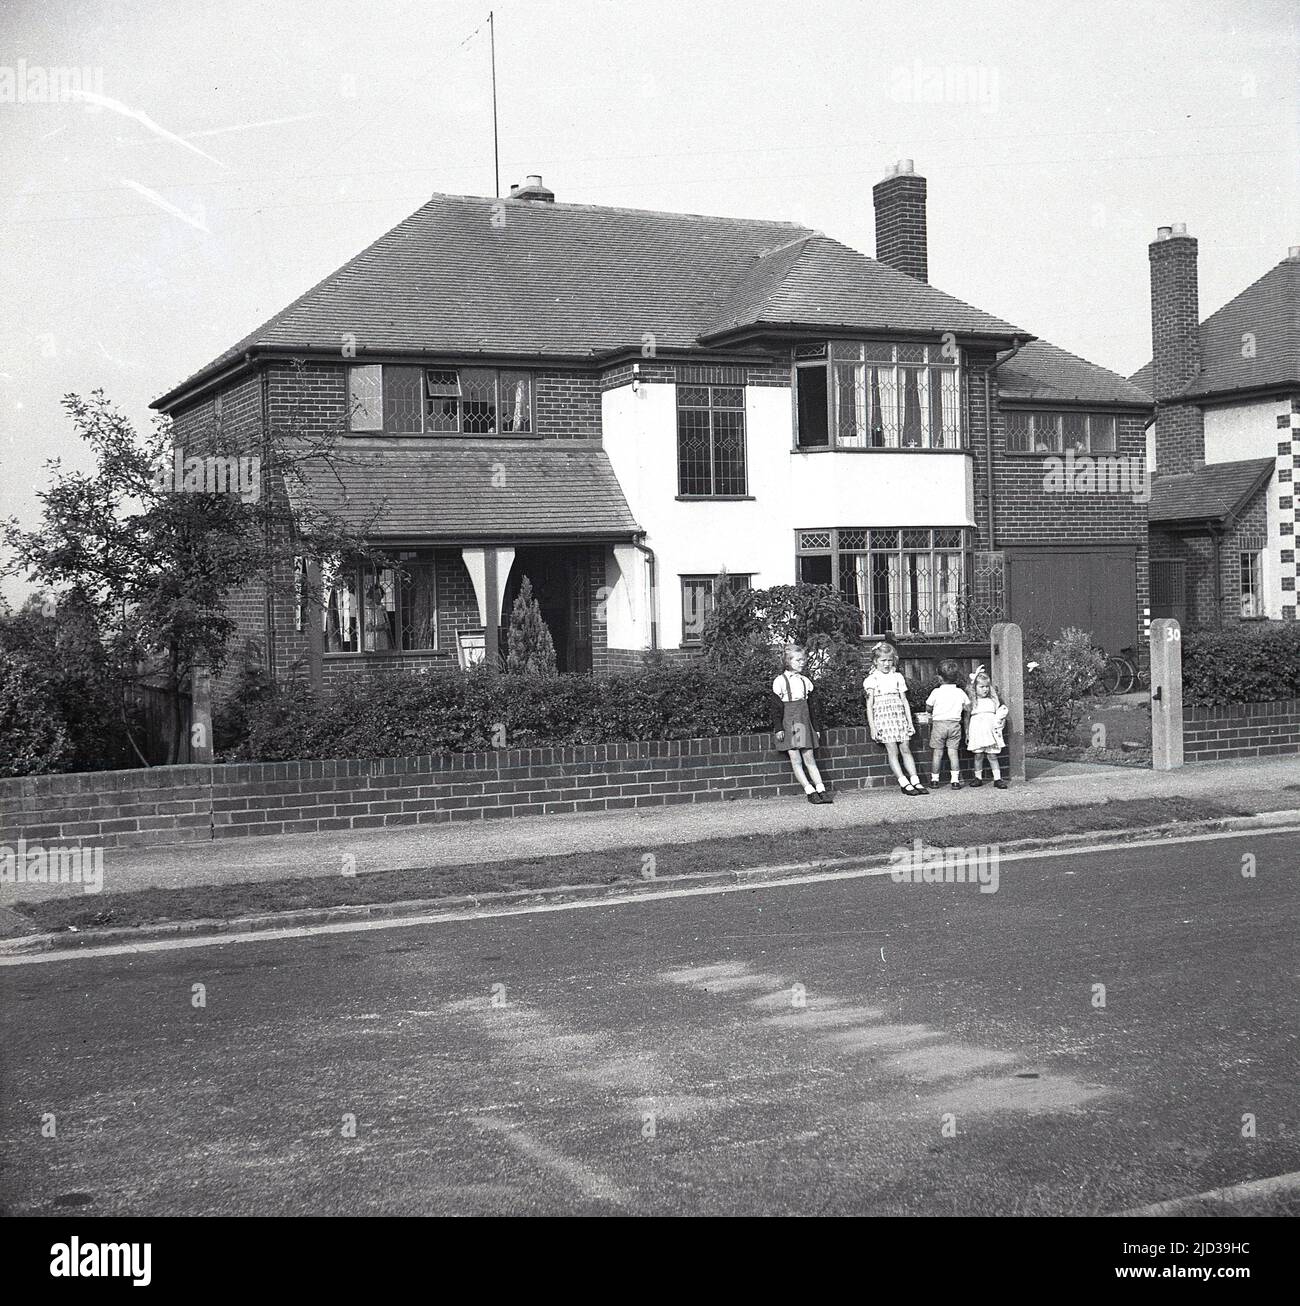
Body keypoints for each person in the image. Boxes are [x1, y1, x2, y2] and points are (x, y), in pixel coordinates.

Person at [864, 641, 928, 795]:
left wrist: (910, 722)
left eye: (889, 660)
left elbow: (904, 701)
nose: (886, 664)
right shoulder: (872, 679)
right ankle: (903, 782)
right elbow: (869, 705)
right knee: (893, 750)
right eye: (883, 660)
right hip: (883, 717)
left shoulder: (897, 677)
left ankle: (915, 780)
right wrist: (873, 727)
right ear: (875, 661)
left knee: (905, 748)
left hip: (899, 716)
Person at [771, 645, 830, 804]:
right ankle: (809, 791)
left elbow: (812, 708)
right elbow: (776, 708)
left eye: (803, 659)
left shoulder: (806, 681)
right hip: (790, 723)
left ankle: (821, 789)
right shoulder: (780, 681)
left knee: (809, 757)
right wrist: (779, 728)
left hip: (803, 722)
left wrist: (816, 728)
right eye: (798, 660)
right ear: (787, 661)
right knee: (796, 758)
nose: (802, 662)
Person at [926, 659, 970, 790]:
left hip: (939, 725)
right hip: (955, 724)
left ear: (939, 678)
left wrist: (933, 711)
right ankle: (955, 781)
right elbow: (968, 707)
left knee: (937, 753)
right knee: (953, 753)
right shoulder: (960, 692)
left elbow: (928, 707)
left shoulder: (936, 692)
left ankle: (934, 780)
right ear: (956, 677)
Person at [967, 665, 1010, 789]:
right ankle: (978, 777)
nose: (985, 689)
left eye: (987, 687)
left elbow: (999, 716)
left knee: (992, 755)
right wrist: (967, 732)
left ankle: (997, 778)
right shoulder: (973, 702)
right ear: (974, 688)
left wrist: (1001, 724)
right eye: (981, 687)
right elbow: (967, 718)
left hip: (990, 732)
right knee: (978, 755)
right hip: (977, 731)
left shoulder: (993, 701)